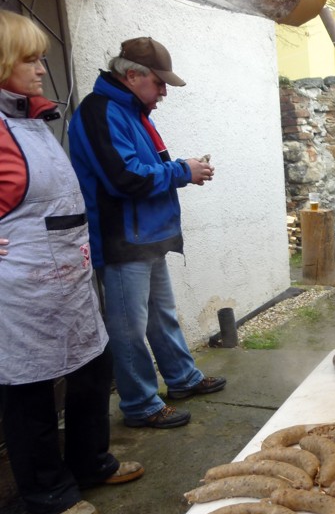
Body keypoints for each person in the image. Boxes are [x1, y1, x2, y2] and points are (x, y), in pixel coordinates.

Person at [0, 11, 143, 514]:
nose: (42, 69)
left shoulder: (31, 119)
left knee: (92, 368)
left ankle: (90, 463)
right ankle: (47, 493)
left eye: (41, 58)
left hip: (69, 277)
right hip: (21, 288)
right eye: (30, 60)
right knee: (29, 390)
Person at [68, 36, 225, 430]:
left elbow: (142, 169)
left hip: (146, 237)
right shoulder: (100, 111)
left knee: (161, 316)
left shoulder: (131, 111)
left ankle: (182, 378)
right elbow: (124, 178)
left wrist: (182, 170)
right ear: (132, 76)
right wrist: (182, 171)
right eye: (159, 83)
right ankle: (140, 404)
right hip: (122, 241)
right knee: (129, 330)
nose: (164, 93)